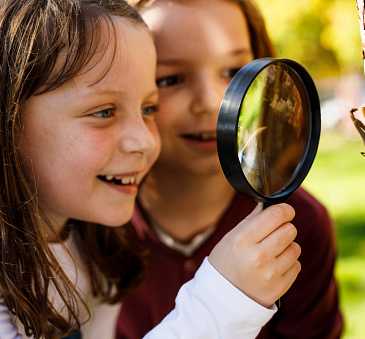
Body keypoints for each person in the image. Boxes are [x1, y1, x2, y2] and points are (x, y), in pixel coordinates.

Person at [0, 0, 302, 338]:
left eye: (148, 109)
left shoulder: (89, 248)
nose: (145, 141)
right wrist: (224, 301)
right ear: (1, 121)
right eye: (104, 112)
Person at [117, 0, 344, 338]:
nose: (211, 101)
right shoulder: (88, 225)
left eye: (233, 73)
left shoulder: (295, 226)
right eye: (171, 78)